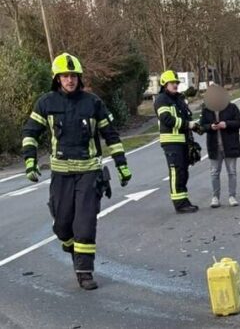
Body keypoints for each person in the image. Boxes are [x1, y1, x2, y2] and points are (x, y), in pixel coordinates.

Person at [22, 53, 132, 290]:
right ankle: (72, 247)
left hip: (89, 172)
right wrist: (29, 162)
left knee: (84, 224)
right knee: (61, 226)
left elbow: (111, 135)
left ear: (79, 78)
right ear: (57, 78)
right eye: (65, 76)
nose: (70, 80)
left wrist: (122, 165)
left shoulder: (93, 103)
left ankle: (84, 271)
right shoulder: (46, 103)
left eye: (73, 76)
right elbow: (30, 133)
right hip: (60, 175)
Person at [154, 70, 203, 214]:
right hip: (171, 142)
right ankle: (179, 204)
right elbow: (167, 119)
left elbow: (187, 118)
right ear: (164, 84)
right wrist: (188, 125)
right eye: (172, 83)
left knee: (183, 172)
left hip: (183, 141)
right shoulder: (161, 100)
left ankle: (184, 200)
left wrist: (199, 127)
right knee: (176, 171)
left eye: (176, 82)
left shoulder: (179, 100)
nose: (175, 85)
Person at [200, 85, 240, 208]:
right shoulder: (206, 110)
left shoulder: (232, 107)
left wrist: (226, 124)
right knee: (214, 172)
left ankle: (232, 196)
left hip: (230, 145)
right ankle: (215, 197)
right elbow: (202, 126)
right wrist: (210, 127)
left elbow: (239, 122)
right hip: (214, 146)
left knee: (232, 172)